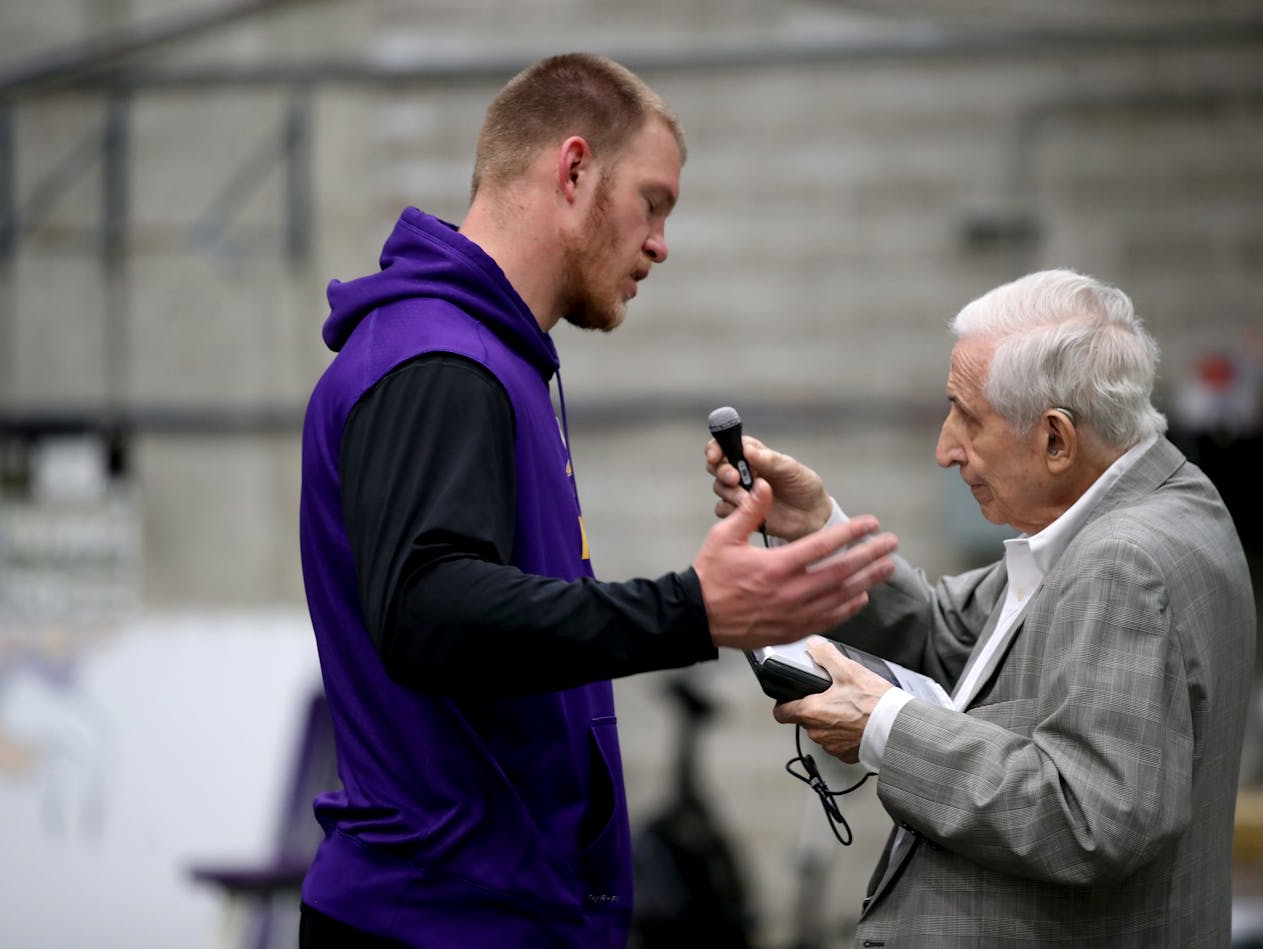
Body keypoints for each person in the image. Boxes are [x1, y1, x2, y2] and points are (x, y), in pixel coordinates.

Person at [296, 52, 899, 948]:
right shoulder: (437, 360)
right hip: (441, 922)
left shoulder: (487, 358)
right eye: (652, 203)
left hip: (493, 914)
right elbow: (429, 610)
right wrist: (693, 609)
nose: (661, 242)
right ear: (574, 170)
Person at [707, 269, 1255, 947]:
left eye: (968, 417)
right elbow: (952, 634)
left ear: (1056, 439)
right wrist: (818, 527)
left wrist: (882, 724)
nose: (945, 449)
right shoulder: (1152, 497)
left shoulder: (1123, 561)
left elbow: (1090, 816)